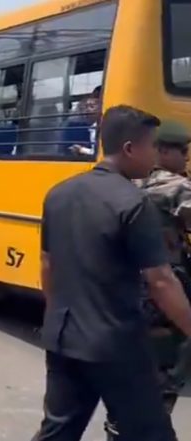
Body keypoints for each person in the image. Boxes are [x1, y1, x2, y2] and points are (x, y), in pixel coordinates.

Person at [32, 105, 191, 441]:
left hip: (63, 337)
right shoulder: (133, 202)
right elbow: (161, 281)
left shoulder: (58, 194)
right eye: (151, 147)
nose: (154, 156)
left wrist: (56, 315)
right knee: (151, 433)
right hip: (116, 345)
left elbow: (47, 264)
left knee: (59, 430)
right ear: (131, 149)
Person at [119, 121, 191, 433]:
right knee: (164, 376)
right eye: (184, 152)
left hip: (125, 291)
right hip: (162, 293)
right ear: (162, 151)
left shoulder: (126, 183)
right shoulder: (176, 186)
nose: (187, 157)